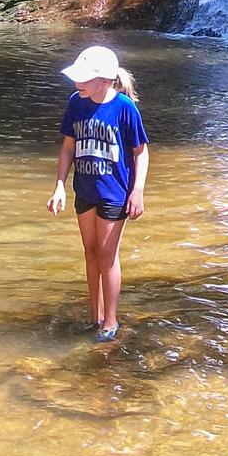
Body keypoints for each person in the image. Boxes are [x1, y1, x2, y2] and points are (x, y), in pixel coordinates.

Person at [48, 45, 149, 343]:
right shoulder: (75, 103)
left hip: (115, 193)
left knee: (107, 255)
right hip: (85, 189)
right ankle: (96, 315)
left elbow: (141, 153)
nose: (77, 83)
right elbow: (68, 147)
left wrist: (137, 191)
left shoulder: (124, 108)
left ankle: (110, 321)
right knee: (90, 252)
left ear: (104, 81)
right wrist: (59, 186)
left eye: (84, 79)